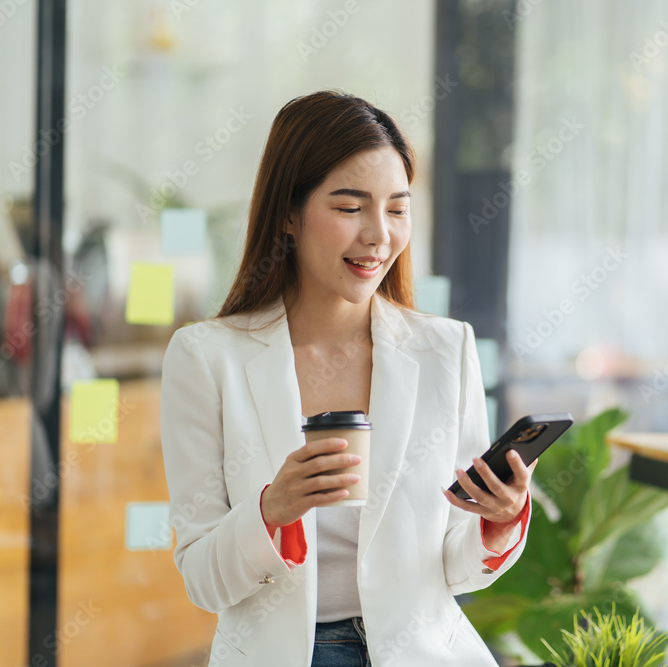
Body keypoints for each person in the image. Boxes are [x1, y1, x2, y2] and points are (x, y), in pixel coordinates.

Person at [160, 90, 534, 667]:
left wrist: (498, 521)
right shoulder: (207, 358)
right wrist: (272, 510)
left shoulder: (445, 349)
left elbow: (455, 569)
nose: (378, 235)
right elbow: (204, 581)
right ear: (288, 214)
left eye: (397, 208)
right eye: (349, 206)